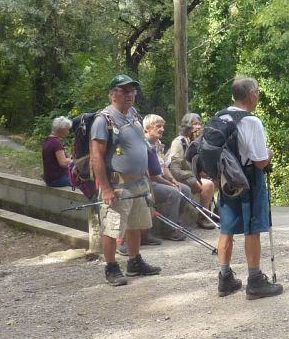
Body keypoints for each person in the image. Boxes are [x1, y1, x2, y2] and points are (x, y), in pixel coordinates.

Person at [214, 76, 283, 300]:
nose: (258, 96)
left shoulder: (220, 116)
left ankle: (225, 278)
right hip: (249, 180)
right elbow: (261, 161)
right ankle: (255, 281)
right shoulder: (250, 121)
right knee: (252, 229)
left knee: (227, 229)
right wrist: (270, 153)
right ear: (251, 94)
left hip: (226, 182)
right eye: (258, 92)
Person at [89, 74, 162, 286]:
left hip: (139, 182)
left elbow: (142, 148)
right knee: (112, 228)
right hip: (118, 184)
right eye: (124, 91)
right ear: (112, 94)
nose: (130, 95)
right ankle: (111, 267)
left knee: (136, 224)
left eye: (132, 91)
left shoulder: (133, 114)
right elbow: (96, 156)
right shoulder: (104, 120)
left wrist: (148, 180)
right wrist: (106, 189)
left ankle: (134, 261)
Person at [165, 112, 216, 229]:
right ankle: (203, 218)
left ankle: (216, 212)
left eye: (199, 124)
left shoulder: (196, 142)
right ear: (187, 126)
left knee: (216, 179)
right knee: (207, 185)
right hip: (179, 177)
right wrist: (194, 175)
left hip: (189, 175)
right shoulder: (179, 142)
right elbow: (174, 170)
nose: (198, 127)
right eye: (194, 124)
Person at [142, 114, 188, 243]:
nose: (162, 129)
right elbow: (152, 175)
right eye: (158, 126)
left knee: (185, 189)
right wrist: (169, 184)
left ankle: (176, 223)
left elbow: (164, 166)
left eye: (162, 126)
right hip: (149, 183)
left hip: (159, 180)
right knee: (173, 192)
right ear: (147, 129)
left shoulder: (158, 143)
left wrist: (173, 180)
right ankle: (169, 230)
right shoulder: (144, 145)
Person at [42, 116, 73, 187]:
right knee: (83, 182)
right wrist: (74, 160)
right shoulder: (56, 143)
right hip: (57, 180)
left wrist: (69, 158)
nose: (68, 132)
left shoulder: (48, 140)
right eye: (67, 130)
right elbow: (63, 163)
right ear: (61, 130)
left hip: (50, 178)